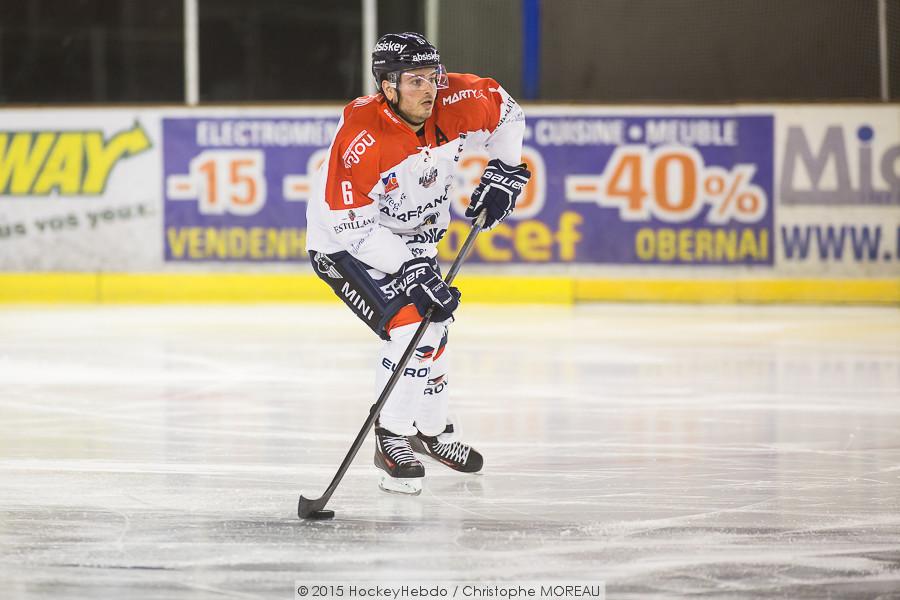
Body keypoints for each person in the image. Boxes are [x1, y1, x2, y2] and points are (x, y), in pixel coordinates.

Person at [305, 32, 530, 495]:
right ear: (388, 86)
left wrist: (505, 169)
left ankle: (430, 431)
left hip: (416, 240)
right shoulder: (362, 134)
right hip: (347, 245)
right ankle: (391, 438)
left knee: (436, 323)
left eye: (433, 76)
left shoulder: (456, 99)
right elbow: (350, 226)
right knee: (414, 326)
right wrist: (409, 267)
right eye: (415, 81)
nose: (429, 89)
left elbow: (508, 112)